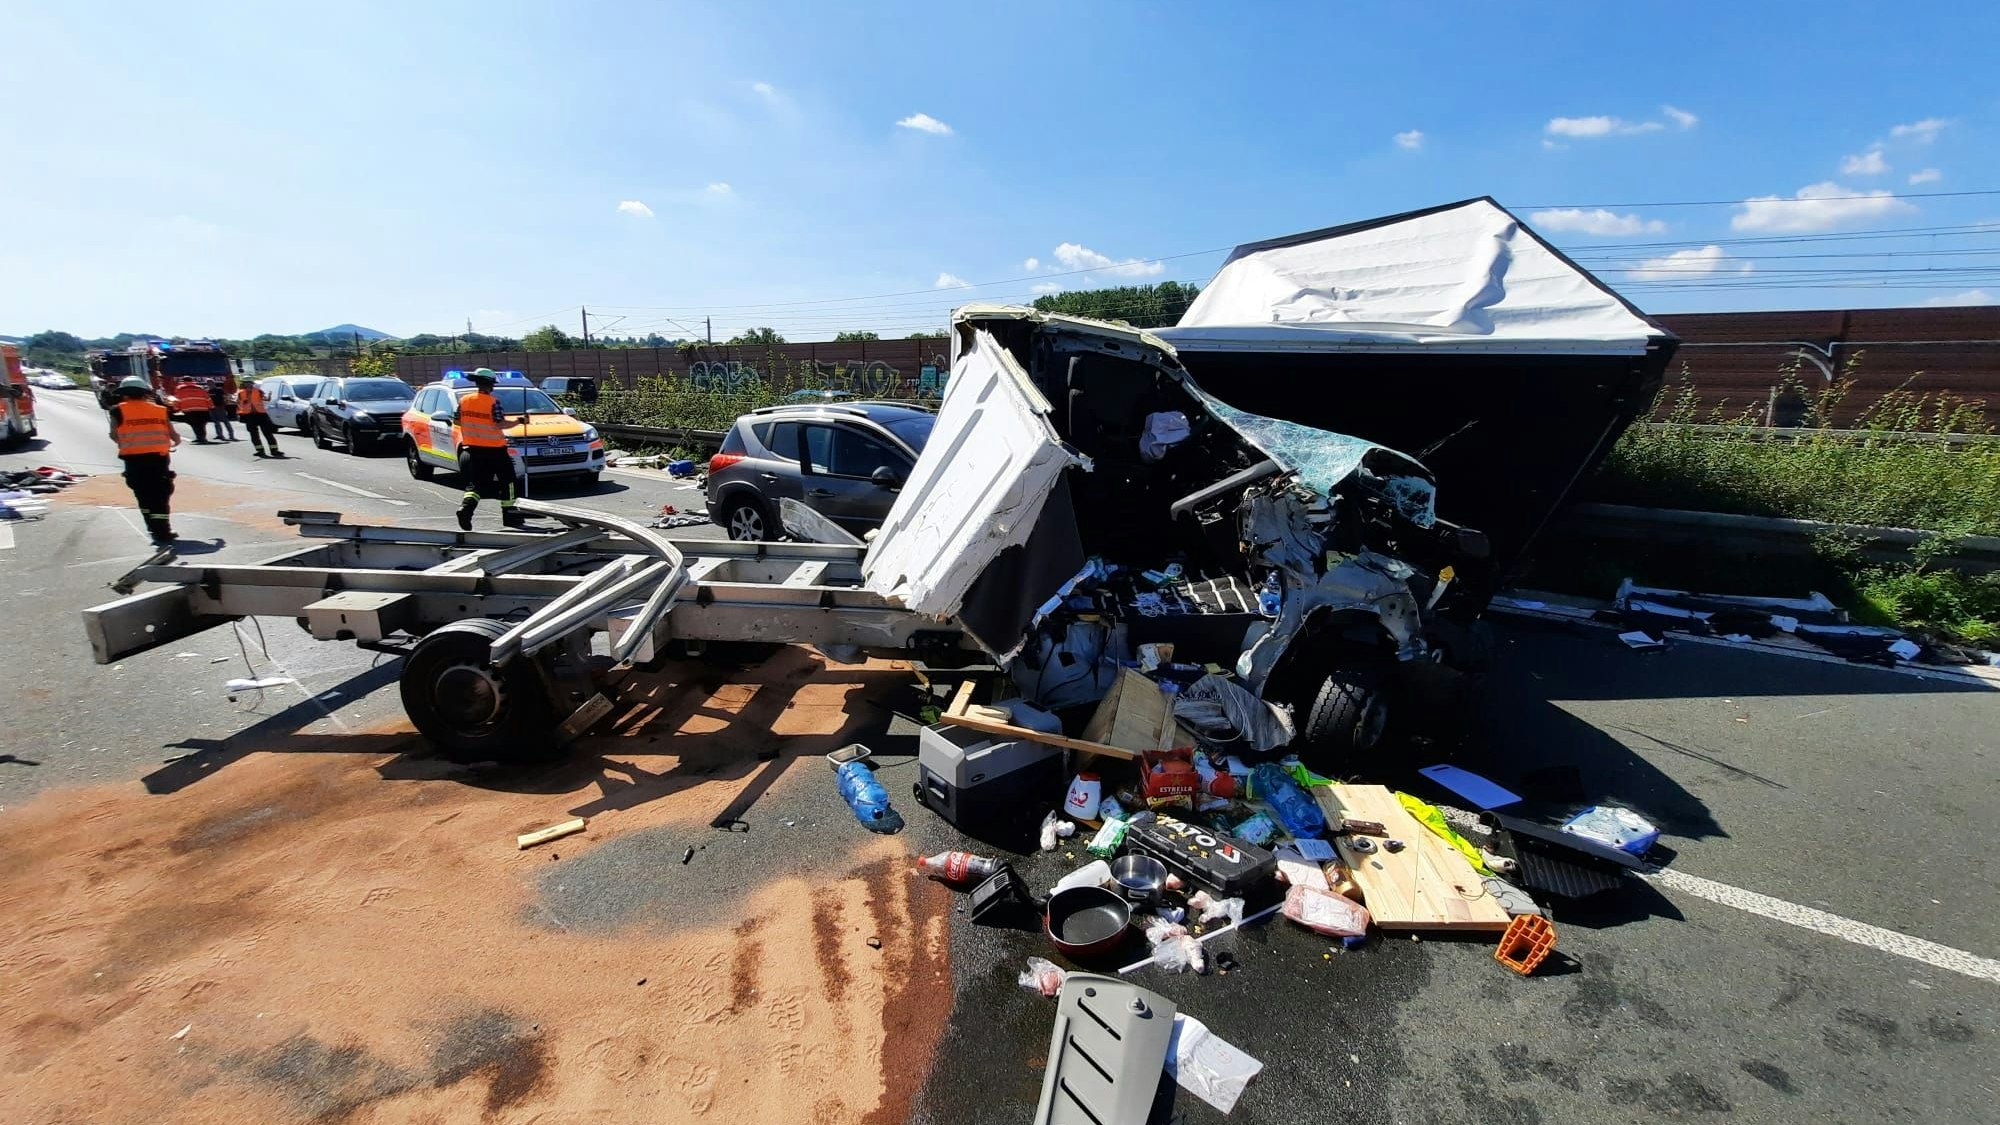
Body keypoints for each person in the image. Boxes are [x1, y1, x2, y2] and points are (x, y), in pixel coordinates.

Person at [107, 375, 181, 548]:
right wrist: (174, 441)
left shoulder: (117, 410)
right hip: (158, 460)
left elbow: (113, 434)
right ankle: (163, 530)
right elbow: (173, 434)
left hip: (133, 461)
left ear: (124, 394)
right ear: (145, 393)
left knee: (143, 495)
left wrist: (127, 443)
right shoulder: (159, 410)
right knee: (160, 495)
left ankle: (153, 528)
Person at [455, 368, 523, 530]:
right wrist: (519, 421)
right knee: (508, 482)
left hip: (473, 449)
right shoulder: (492, 402)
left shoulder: (464, 400)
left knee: (477, 484)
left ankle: (466, 509)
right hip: (496, 450)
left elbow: (457, 421)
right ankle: (510, 517)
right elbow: (500, 423)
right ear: (490, 384)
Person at [237, 379, 283, 458]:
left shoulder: (258, 391)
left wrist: (269, 396)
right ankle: (260, 451)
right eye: (246, 383)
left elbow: (265, 399)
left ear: (252, 384)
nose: (248, 385)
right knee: (254, 435)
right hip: (249, 416)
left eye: (249, 383)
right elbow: (238, 403)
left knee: (268, 433)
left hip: (260, 414)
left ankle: (274, 450)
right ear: (244, 384)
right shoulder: (241, 393)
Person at [175, 379, 213, 443]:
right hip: (203, 409)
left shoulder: (180, 388)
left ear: (184, 381)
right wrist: (211, 406)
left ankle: (200, 438)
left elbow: (178, 399)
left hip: (189, 409)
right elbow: (208, 398)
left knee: (194, 424)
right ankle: (202, 437)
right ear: (192, 381)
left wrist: (176, 408)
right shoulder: (200, 388)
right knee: (202, 424)